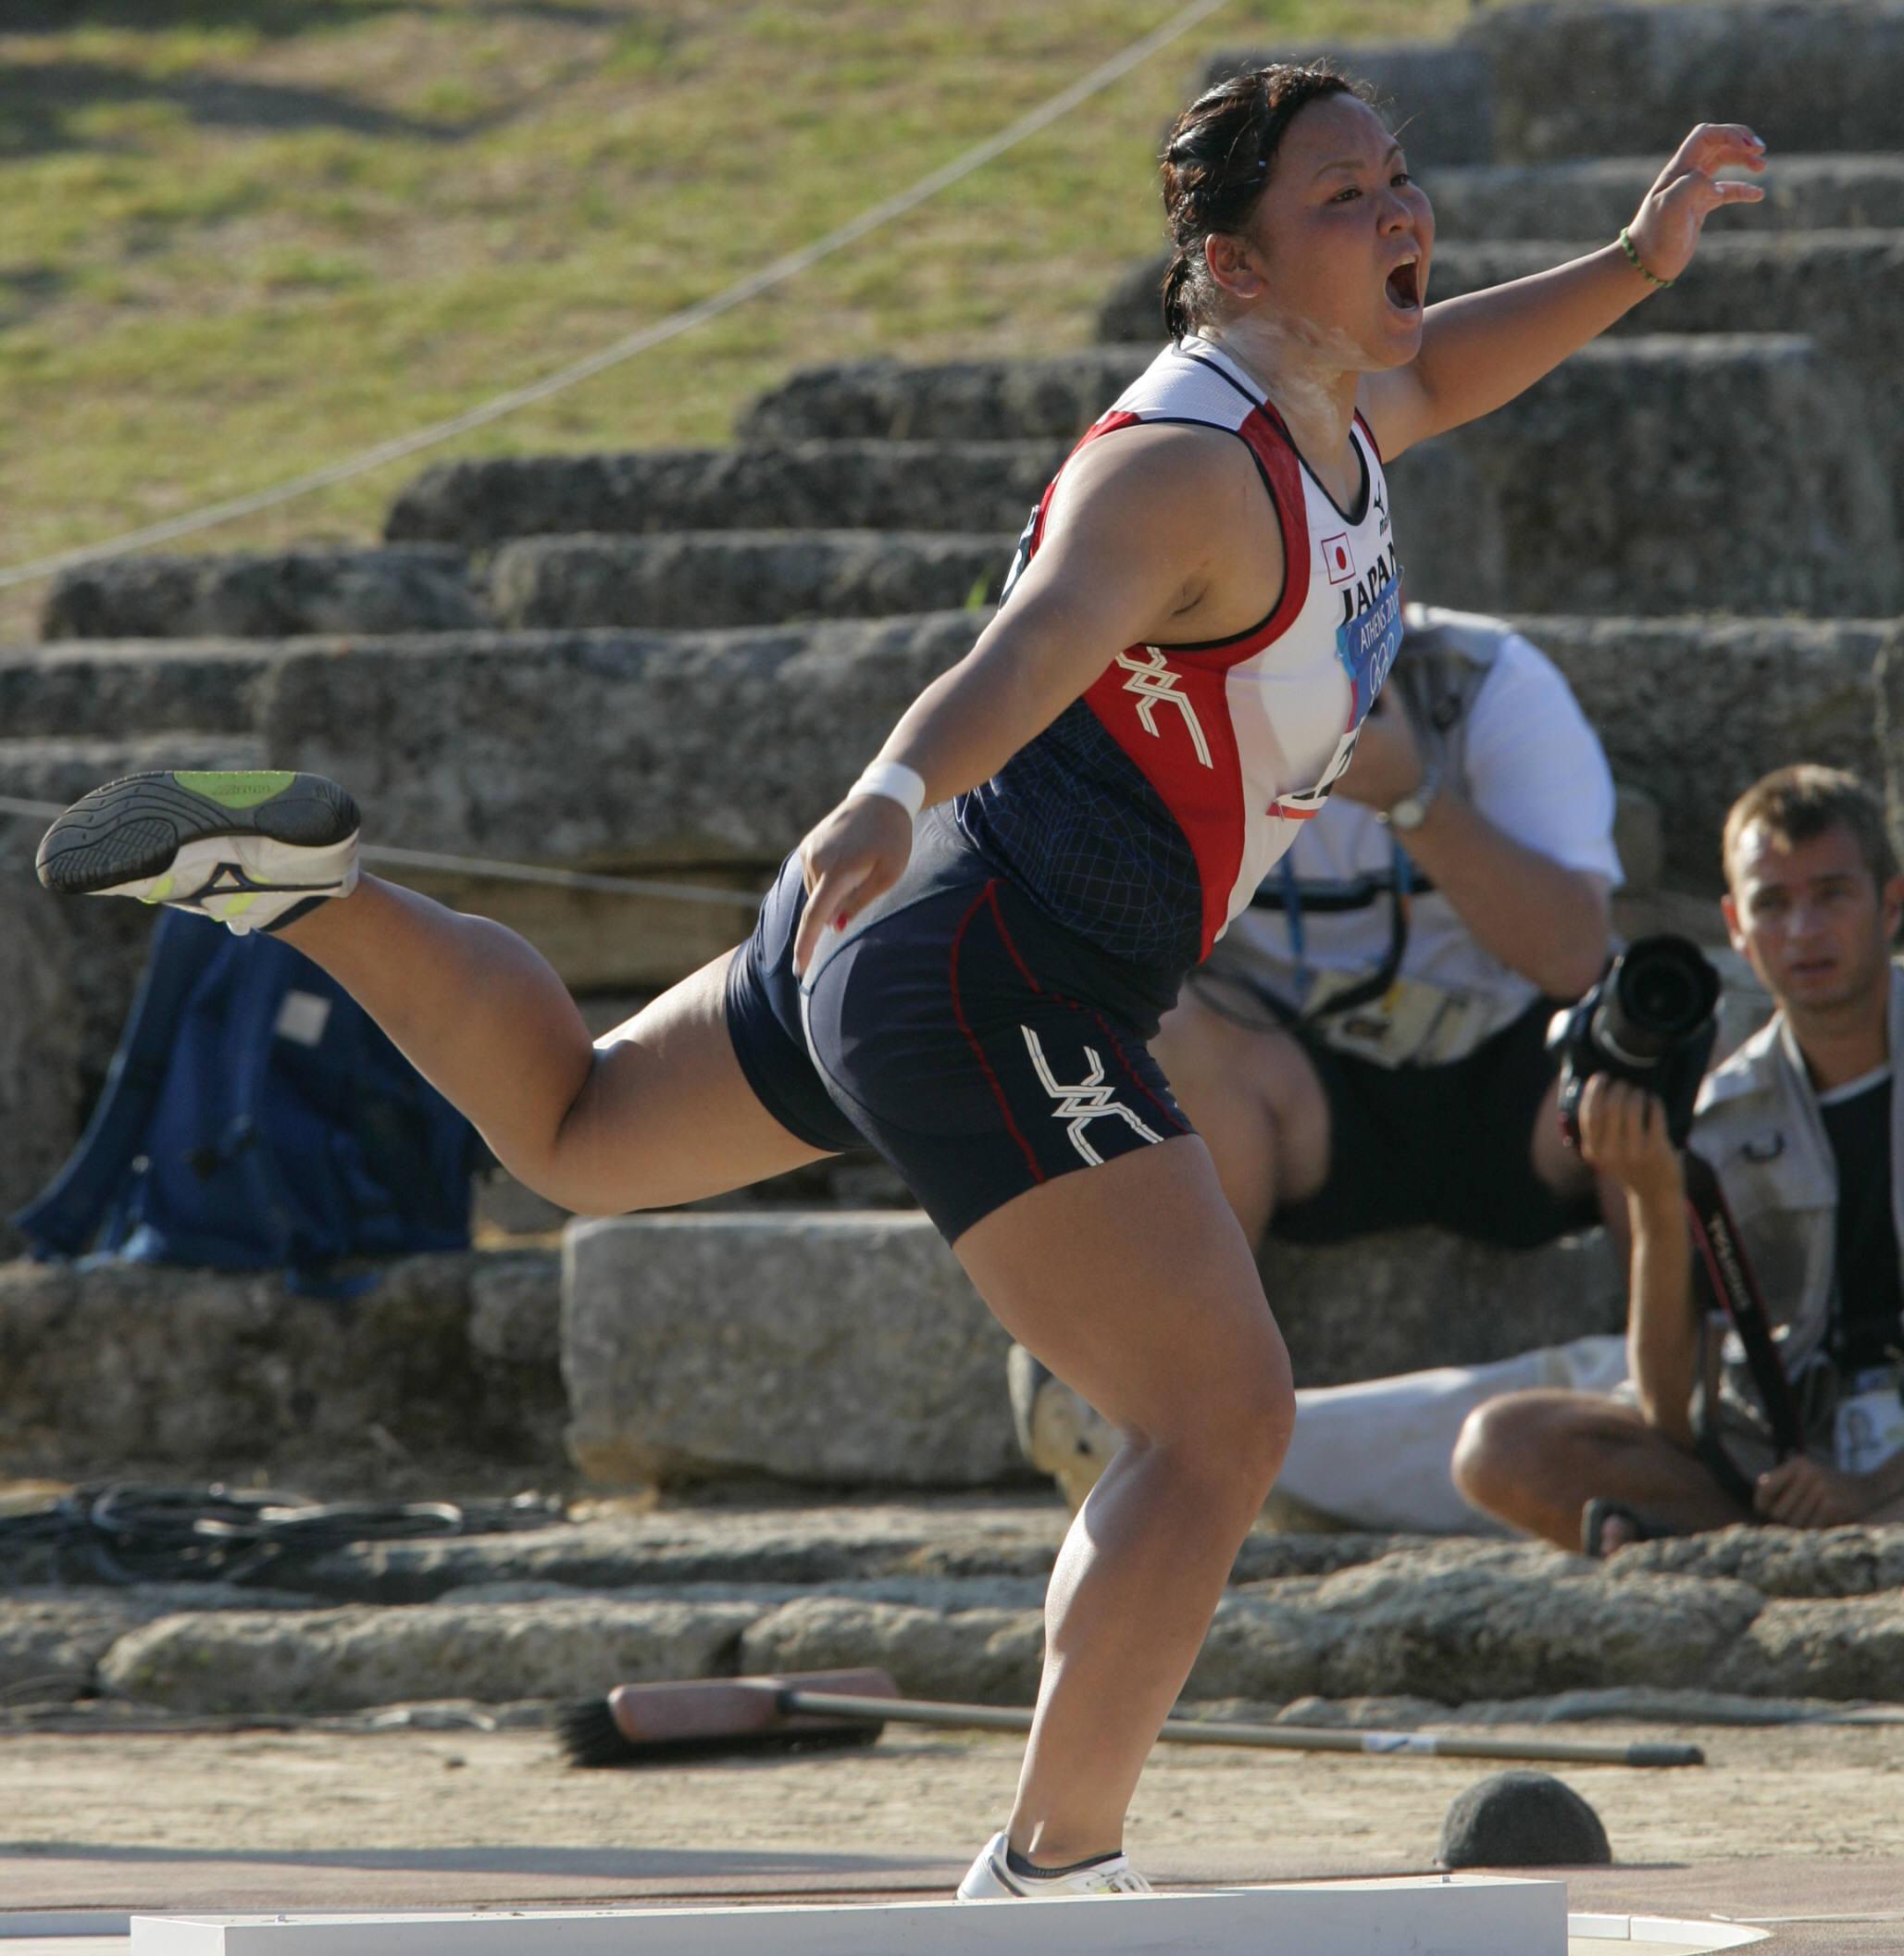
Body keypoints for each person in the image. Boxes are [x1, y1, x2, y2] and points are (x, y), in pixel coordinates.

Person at [35, 68, 1765, 1900]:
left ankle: (300, 893)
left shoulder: (1335, 409)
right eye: (1343, 198)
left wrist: (1634, 260)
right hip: (983, 947)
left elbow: (1441, 379)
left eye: (1396, 178)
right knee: (1215, 1417)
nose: (1400, 214)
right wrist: (888, 786)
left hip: (920, 936)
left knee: (574, 1130)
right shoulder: (1184, 469)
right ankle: (1047, 1880)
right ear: (1231, 267)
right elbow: (1028, 645)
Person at [1010, 597, 1631, 1525]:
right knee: (1165, 1041)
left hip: (1513, 1074)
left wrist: (1410, 795)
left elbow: (1577, 953)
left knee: (1649, 1053)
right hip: (1298, 1095)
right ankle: (1145, 1416)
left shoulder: (1484, 683)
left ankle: (1687, 1393)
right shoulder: (1153, 709)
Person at [1454, 766, 1904, 1553]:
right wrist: (1658, 1200)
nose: (1801, 930)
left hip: (1883, 1469)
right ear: (1733, 925)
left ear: (1890, 903)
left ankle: (1709, 1542)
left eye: (1831, 893)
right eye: (1772, 903)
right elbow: (1670, 1413)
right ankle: (1772, 1536)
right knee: (1502, 1444)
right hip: (1786, 1458)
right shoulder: (1720, 1115)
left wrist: (1871, 1485)